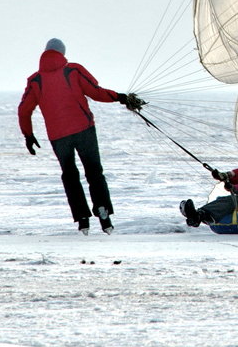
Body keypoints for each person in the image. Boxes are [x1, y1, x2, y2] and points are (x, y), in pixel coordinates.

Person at [17, 38, 143, 235]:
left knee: (70, 175)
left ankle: (82, 219)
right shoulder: (73, 70)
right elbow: (95, 92)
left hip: (59, 137)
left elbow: (24, 110)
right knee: (94, 172)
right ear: (62, 53)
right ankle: (103, 211)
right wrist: (120, 97)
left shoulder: (35, 80)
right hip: (84, 129)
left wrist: (28, 135)